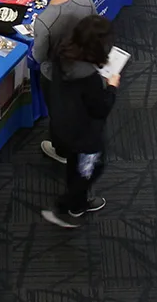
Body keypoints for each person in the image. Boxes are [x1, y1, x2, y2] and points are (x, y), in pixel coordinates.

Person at [40, 16, 120, 229]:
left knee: (74, 165)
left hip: (63, 123)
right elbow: (100, 109)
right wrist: (111, 87)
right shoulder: (89, 78)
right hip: (85, 137)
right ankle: (72, 207)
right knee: (89, 170)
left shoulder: (62, 52)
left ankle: (74, 199)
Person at [29, 0, 97, 148]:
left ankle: (61, 151)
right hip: (87, 67)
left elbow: (40, 56)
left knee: (60, 114)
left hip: (59, 77)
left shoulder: (44, 21)